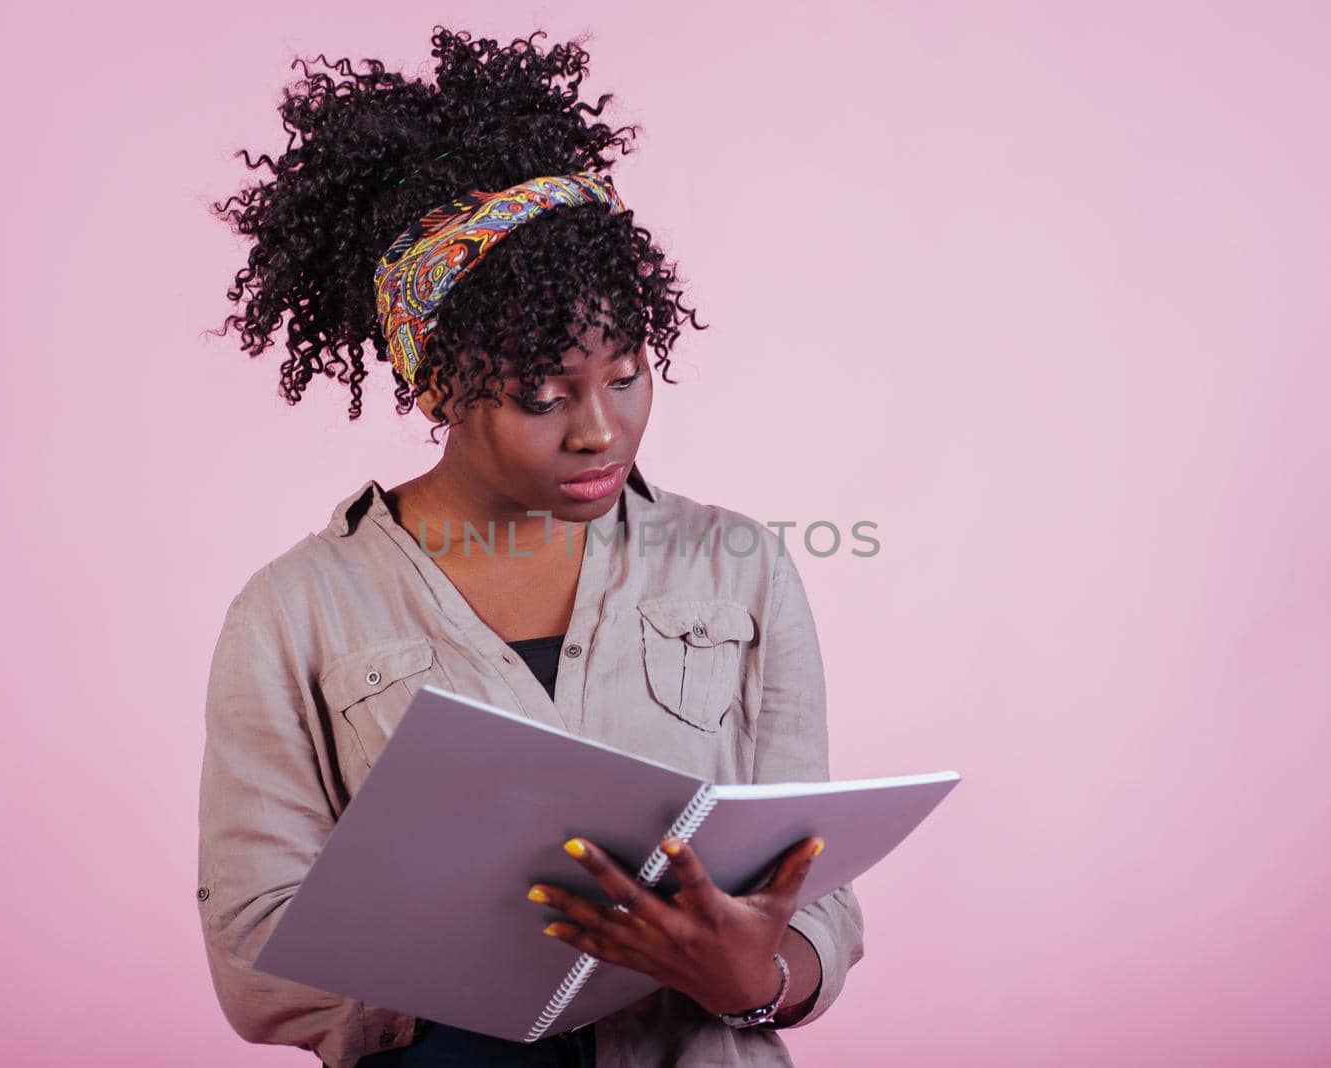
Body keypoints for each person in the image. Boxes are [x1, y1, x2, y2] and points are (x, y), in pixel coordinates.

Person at [197, 26, 864, 1068]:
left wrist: (764, 974)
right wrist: (470, 969)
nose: (600, 428)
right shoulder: (298, 611)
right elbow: (253, 949)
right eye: (544, 395)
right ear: (435, 382)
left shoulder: (739, 567)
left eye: (628, 373)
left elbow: (816, 894)